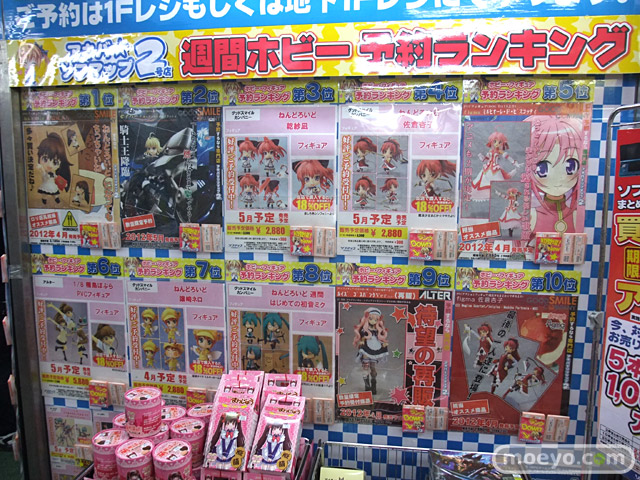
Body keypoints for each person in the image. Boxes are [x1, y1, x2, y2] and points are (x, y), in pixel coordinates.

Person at [526, 115, 583, 235]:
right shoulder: (532, 215)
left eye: (571, 166)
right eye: (542, 169)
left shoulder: (576, 215)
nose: (558, 179)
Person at [472, 131, 520, 201]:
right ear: (492, 141)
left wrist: (515, 163)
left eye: (499, 142)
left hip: (495, 168)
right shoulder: (490, 151)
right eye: (495, 141)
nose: (497, 144)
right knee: (482, 179)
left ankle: (497, 192)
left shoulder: (500, 151)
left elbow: (508, 157)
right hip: (488, 167)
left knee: (503, 178)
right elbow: (487, 159)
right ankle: (489, 193)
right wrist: (482, 157)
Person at [353, 307, 388, 395]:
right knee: (365, 367)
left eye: (376, 319)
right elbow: (361, 337)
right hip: (366, 349)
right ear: (367, 318)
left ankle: (373, 384)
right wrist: (361, 341)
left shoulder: (378, 330)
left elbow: (381, 338)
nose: (373, 321)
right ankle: (367, 386)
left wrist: (383, 343)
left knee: (373, 367)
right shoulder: (364, 329)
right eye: (371, 318)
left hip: (375, 350)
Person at [35, 132, 72, 205]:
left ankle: (56, 198)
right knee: (44, 193)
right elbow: (44, 175)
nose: (49, 165)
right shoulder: (44, 173)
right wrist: (41, 168)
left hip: (52, 185)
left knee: (55, 192)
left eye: (55, 162)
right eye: (45, 159)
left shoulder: (54, 174)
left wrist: (64, 184)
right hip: (46, 185)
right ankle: (44, 199)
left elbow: (57, 178)